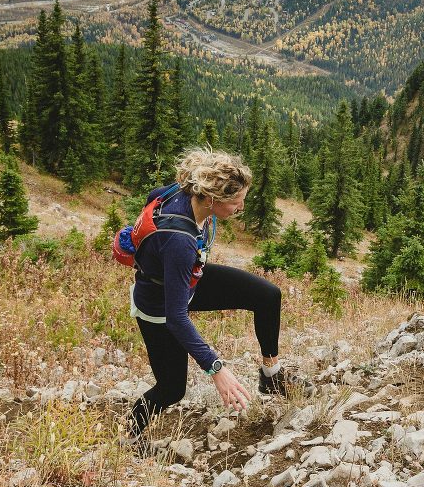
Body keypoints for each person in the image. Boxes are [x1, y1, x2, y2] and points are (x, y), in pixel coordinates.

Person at [126, 147, 307, 444]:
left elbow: (152, 198)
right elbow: (175, 318)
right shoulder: (179, 241)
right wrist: (216, 368)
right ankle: (130, 436)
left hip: (188, 279)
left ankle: (271, 375)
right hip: (159, 306)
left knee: (267, 295)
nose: (241, 208)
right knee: (172, 389)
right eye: (236, 202)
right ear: (212, 199)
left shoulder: (185, 191)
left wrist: (155, 254)